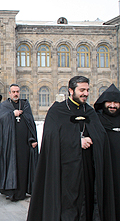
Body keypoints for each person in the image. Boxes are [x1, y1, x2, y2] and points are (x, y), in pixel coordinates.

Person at [27, 76, 116, 220]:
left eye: (87, 90)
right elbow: (51, 139)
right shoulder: (57, 111)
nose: (85, 93)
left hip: (87, 170)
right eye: (82, 90)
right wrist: (77, 142)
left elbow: (101, 136)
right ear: (71, 90)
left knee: (86, 205)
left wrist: (93, 139)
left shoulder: (90, 112)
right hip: (65, 171)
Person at [0, 84, 38, 201]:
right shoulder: (4, 106)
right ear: (9, 93)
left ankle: (22, 192)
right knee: (10, 166)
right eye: (13, 92)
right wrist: (12, 115)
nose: (16, 94)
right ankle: (10, 190)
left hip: (24, 143)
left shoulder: (25, 104)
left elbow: (30, 122)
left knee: (23, 167)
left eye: (17, 91)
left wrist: (33, 138)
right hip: (9, 143)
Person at [94, 84, 120, 220]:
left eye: (116, 102)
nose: (112, 105)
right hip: (105, 164)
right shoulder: (97, 120)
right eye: (109, 102)